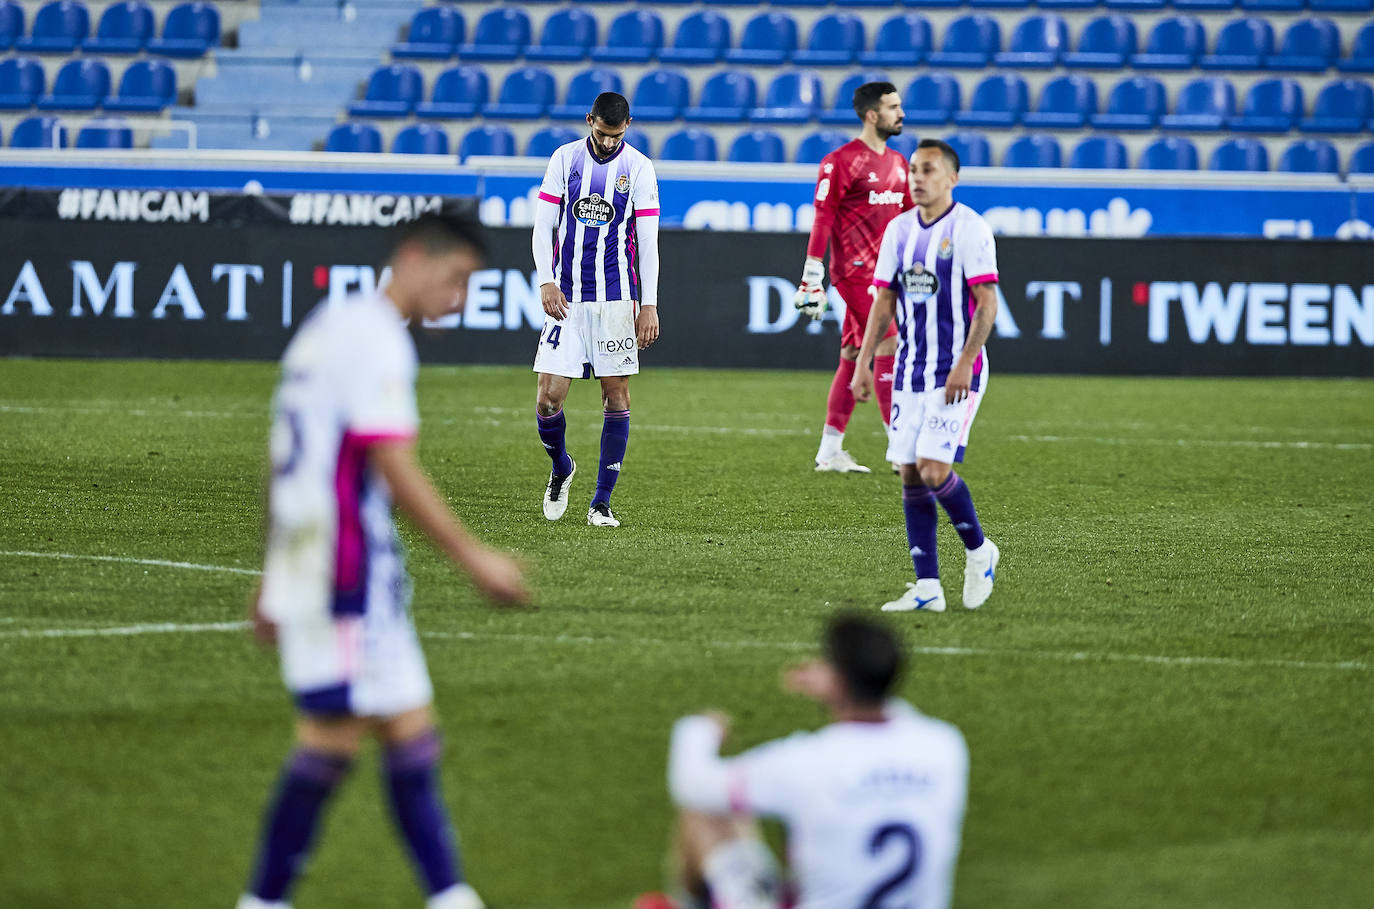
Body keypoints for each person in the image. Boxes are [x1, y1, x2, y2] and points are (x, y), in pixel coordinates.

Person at [237, 213, 529, 909]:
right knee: (330, 745)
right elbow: (391, 462)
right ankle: (263, 901)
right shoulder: (378, 344)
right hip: (344, 573)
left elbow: (284, 455)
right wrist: (474, 557)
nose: (458, 298)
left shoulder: (330, 324)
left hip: (333, 567)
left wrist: (270, 567)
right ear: (410, 257)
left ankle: (452, 895)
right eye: (455, 278)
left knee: (409, 731)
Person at [657, 614, 969, 909]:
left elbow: (692, 783)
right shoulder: (945, 747)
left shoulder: (807, 762)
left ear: (836, 680)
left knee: (709, 811)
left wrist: (699, 728)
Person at [851, 140, 1001, 613]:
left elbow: (988, 305)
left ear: (951, 178)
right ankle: (927, 589)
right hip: (910, 371)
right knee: (911, 473)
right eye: (913, 169)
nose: (917, 178)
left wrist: (963, 364)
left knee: (936, 469)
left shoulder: (971, 229)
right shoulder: (898, 230)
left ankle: (980, 552)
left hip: (957, 370)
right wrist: (863, 362)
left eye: (928, 170)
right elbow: (884, 302)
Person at [531, 91, 660, 527]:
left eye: (616, 135)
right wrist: (546, 280)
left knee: (616, 394)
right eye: (602, 134)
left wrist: (649, 305)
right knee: (549, 399)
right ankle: (561, 466)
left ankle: (601, 502)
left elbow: (648, 244)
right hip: (566, 298)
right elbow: (543, 226)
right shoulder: (564, 160)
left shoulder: (639, 167)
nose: (608, 143)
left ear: (628, 125)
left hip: (616, 300)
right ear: (590, 120)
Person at [794, 81, 910, 474]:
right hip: (857, 273)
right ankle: (899, 445)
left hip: (889, 276)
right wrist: (813, 273)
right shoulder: (841, 161)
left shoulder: (898, 163)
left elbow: (910, 219)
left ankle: (829, 450)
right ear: (872, 114)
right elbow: (824, 216)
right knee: (889, 341)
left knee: (850, 354)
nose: (901, 113)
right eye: (894, 107)